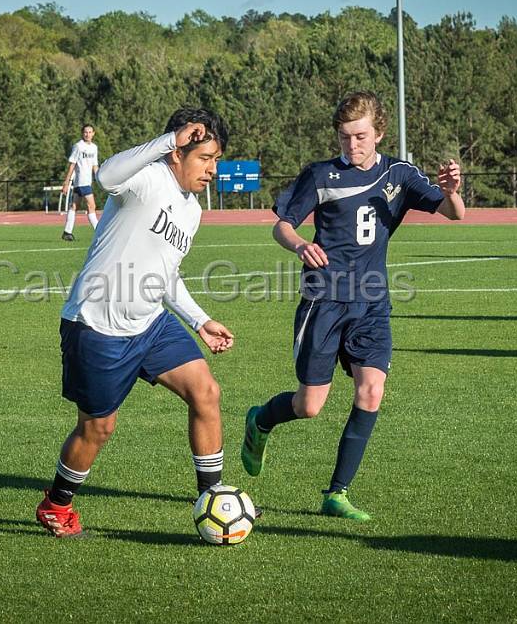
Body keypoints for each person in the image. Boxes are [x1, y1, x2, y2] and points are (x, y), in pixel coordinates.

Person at [239, 91, 464, 521]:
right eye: (344, 137)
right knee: (309, 407)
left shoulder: (399, 174)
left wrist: (453, 190)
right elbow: (281, 227)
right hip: (323, 301)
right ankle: (261, 420)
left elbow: (455, 212)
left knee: (372, 390)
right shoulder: (321, 175)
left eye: (360, 136)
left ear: (378, 133)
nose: (352, 145)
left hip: (372, 303)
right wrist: (300, 244)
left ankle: (336, 494)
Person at [36, 108, 237, 538]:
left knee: (206, 391)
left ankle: (212, 496)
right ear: (178, 151)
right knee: (97, 428)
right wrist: (167, 140)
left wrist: (199, 321)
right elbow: (105, 177)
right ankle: (56, 504)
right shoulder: (146, 177)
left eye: (216, 159)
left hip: (150, 324)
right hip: (97, 326)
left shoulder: (192, 211)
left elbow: (166, 274)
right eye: (204, 158)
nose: (212, 170)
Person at [60, 124, 100, 241]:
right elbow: (72, 164)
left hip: (87, 181)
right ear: (82, 133)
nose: (88, 134)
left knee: (74, 206)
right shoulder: (78, 146)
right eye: (85, 132)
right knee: (91, 206)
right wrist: (66, 182)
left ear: (93, 133)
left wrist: (99, 179)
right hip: (81, 181)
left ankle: (67, 232)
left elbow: (95, 165)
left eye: (90, 132)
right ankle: (99, 232)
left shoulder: (94, 147)